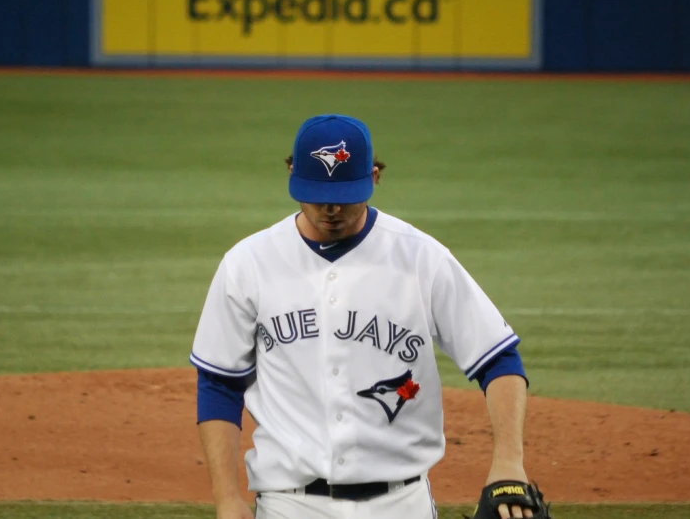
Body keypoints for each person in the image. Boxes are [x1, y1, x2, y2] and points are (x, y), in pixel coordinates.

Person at [190, 114, 545, 519]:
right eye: (317, 192)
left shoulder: (421, 258)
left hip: (401, 503)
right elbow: (219, 383)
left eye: (345, 193)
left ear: (375, 176)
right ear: (292, 171)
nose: (331, 208)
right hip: (288, 503)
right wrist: (226, 498)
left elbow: (498, 358)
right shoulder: (247, 264)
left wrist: (508, 462)